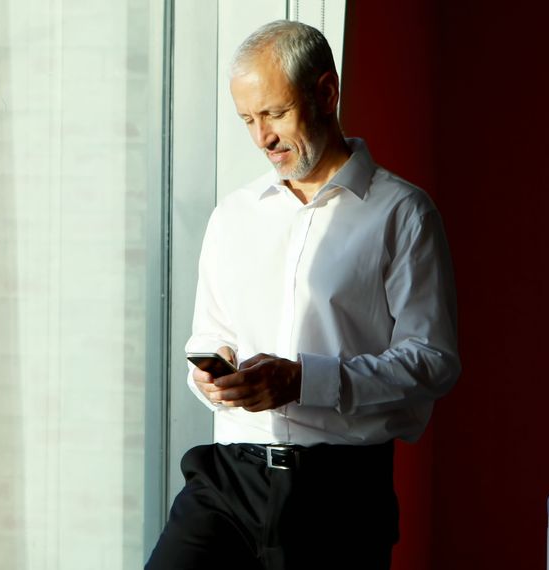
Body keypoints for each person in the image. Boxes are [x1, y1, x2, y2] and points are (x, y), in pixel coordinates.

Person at [145, 20, 460, 570]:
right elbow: (209, 333)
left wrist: (302, 380)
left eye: (274, 113)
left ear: (326, 93)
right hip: (226, 479)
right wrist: (211, 372)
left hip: (339, 493)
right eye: (247, 119)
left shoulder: (402, 213)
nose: (261, 137)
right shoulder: (233, 215)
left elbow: (434, 361)